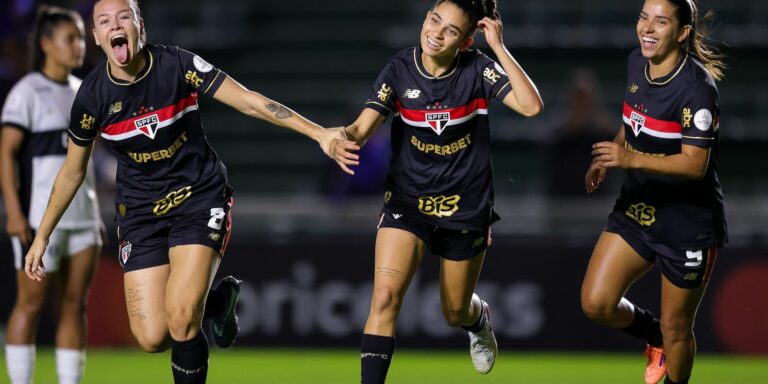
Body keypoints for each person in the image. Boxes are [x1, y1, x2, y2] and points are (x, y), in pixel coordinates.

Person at [22, 0, 351, 383]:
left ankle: (196, 312)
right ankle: (217, 303)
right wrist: (42, 235)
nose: (116, 26)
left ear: (140, 25)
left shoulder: (178, 65)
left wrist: (318, 133)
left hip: (198, 199)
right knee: (151, 337)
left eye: (124, 17)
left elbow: (247, 101)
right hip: (141, 215)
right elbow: (71, 172)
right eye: (105, 21)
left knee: (181, 319)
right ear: (96, 36)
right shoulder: (92, 98)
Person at [327, 0, 543, 382]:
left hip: (466, 206)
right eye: (434, 20)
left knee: (455, 311)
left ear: (465, 41)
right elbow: (361, 129)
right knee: (384, 297)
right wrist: (335, 138)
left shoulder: (478, 69)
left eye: (450, 30)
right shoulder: (399, 69)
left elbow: (531, 107)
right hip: (408, 202)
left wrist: (498, 46)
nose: (436, 33)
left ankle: (478, 320)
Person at [580, 1, 727, 383]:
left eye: (660, 21)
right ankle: (654, 337)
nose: (647, 27)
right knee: (596, 302)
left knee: (678, 327)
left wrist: (628, 159)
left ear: (682, 32)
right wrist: (609, 155)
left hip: (687, 223)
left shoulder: (697, 89)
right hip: (638, 207)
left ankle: (670, 349)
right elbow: (635, 120)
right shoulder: (637, 62)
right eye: (644, 17)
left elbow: (695, 164)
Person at [1, 7, 101, 384]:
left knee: (75, 306)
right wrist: (14, 212)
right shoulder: (27, 92)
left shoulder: (84, 91)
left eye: (80, 38)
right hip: (39, 220)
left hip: (84, 219)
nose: (79, 46)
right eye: (70, 38)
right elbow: (6, 153)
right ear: (46, 44)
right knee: (30, 303)